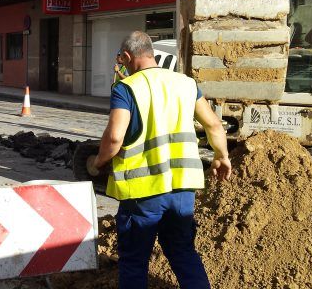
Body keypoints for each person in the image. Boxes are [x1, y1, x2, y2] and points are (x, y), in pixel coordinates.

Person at [89, 31, 231, 289]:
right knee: (183, 253)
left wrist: (98, 161)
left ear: (127, 56)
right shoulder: (186, 83)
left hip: (142, 193)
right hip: (182, 191)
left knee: (134, 261)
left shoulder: (126, 88)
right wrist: (222, 156)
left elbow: (114, 138)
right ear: (151, 53)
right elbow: (213, 125)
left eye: (121, 59)